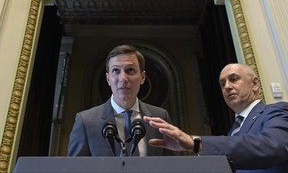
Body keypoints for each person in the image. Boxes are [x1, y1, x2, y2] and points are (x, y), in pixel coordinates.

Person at [144, 63, 288, 172]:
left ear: (255, 84)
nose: (227, 86)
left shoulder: (276, 111)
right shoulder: (235, 129)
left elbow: (272, 146)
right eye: (222, 83)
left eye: (234, 79)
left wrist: (195, 143)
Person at [68, 44, 174, 157]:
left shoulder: (160, 117)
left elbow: (171, 166)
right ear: (108, 78)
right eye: (116, 70)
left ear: (142, 77)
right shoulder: (85, 121)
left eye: (130, 70)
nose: (123, 78)